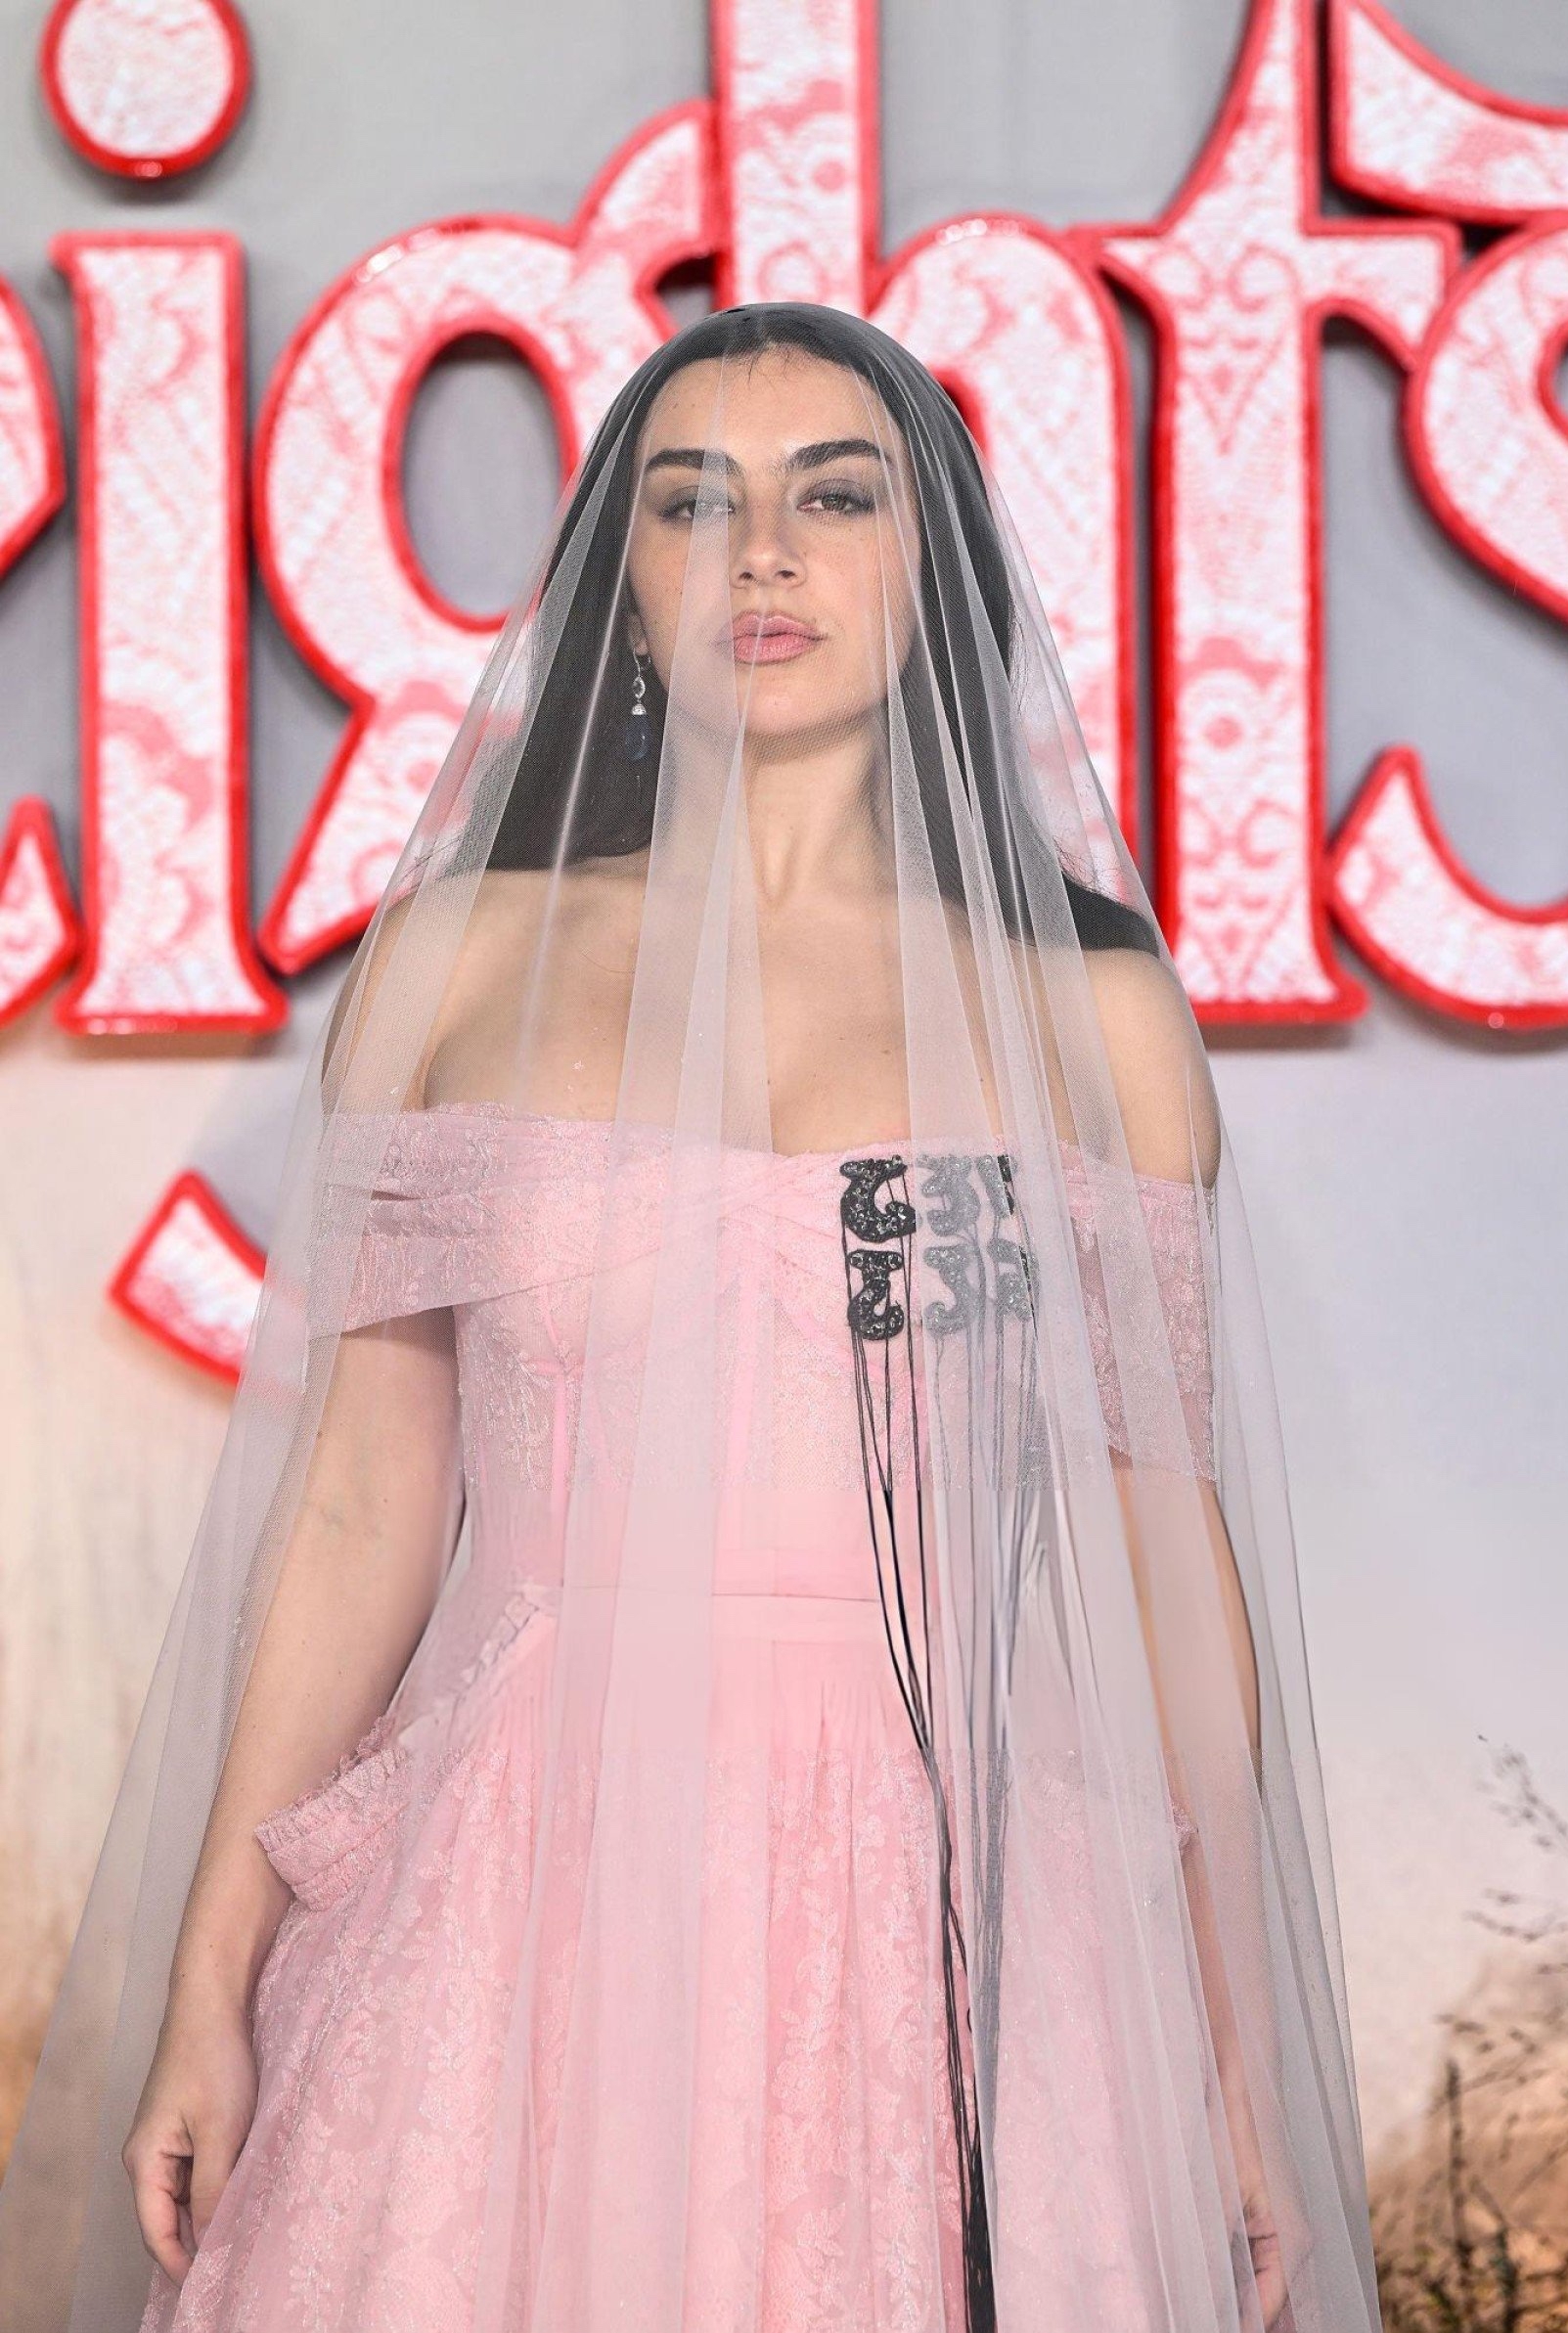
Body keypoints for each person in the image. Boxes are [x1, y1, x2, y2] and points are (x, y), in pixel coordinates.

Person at [0, 302, 1381, 2333]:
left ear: (938, 566)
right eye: (690, 501)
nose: (764, 552)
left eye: (838, 494)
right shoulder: (453, 964)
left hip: (959, 1922)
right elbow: (362, 1503)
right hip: (515, 1897)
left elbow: (1169, 1556)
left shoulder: (1089, 1018)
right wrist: (212, 1968)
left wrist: (1241, 2057)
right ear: (621, 576)